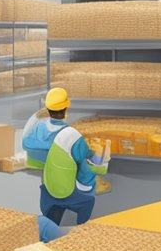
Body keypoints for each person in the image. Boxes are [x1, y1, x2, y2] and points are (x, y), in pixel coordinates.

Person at [22, 87, 108, 230]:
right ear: (66, 110)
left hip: (48, 189)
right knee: (88, 197)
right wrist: (101, 157)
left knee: (53, 214)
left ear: (47, 109)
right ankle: (82, 230)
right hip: (69, 190)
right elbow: (87, 157)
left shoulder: (38, 129)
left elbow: (27, 141)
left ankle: (50, 233)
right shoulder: (72, 136)